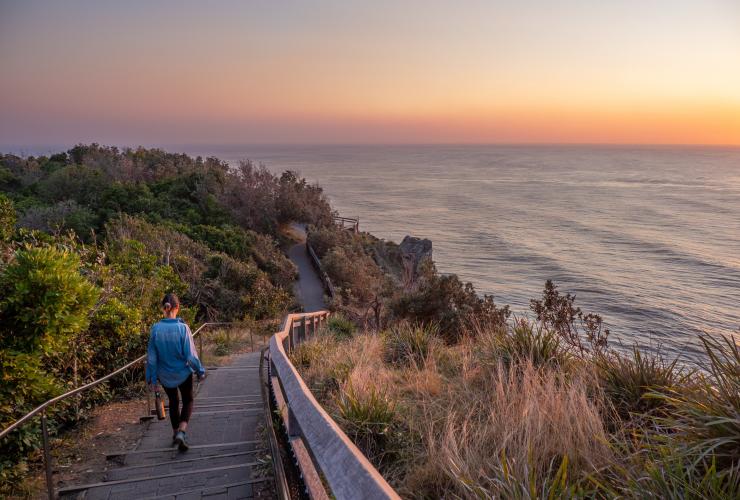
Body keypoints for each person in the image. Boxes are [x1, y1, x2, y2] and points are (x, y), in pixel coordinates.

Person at [145, 293, 205, 451]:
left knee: (173, 402)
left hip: (164, 375)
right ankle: (182, 432)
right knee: (188, 400)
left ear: (163, 308)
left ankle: (175, 433)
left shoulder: (155, 329)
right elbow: (190, 356)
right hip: (183, 373)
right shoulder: (182, 328)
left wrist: (151, 379)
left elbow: (151, 358)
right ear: (177, 307)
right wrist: (200, 371)